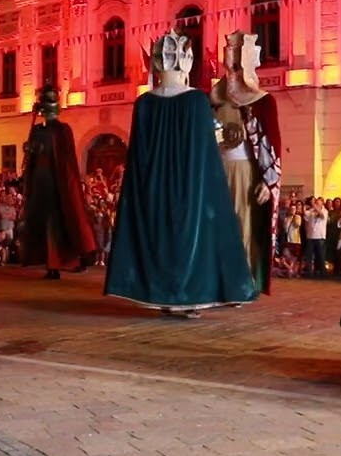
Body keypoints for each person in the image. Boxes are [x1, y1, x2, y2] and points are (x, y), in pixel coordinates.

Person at [104, 27, 257, 317]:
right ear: (185, 61)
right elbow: (206, 151)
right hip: (190, 189)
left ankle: (161, 295)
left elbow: (138, 156)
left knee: (159, 239)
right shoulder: (196, 101)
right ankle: (188, 299)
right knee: (189, 240)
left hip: (154, 190)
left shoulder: (145, 103)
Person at [210, 30, 283, 294]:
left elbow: (272, 146)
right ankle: (217, 278)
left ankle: (240, 280)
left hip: (246, 171)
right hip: (218, 171)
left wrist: (268, 180)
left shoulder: (263, 102)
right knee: (217, 225)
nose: (232, 69)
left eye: (237, 63)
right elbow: (210, 134)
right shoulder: (215, 100)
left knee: (243, 225)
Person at [20, 84, 97, 280]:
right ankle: (50, 264)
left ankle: (63, 263)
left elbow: (65, 161)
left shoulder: (63, 130)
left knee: (58, 225)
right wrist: (30, 150)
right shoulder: (37, 130)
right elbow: (34, 157)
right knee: (43, 225)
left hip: (56, 185)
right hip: (41, 184)